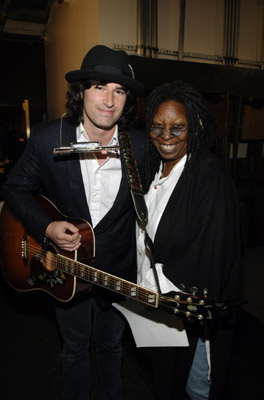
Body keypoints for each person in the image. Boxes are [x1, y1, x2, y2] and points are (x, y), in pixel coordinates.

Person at [2, 45, 145, 400]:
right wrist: (46, 228)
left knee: (112, 348)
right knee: (76, 350)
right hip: (65, 274)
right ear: (81, 91)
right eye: (99, 86)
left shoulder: (140, 147)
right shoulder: (50, 138)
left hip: (116, 273)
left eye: (120, 90)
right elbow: (15, 189)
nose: (109, 100)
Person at [136, 81, 240, 400]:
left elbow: (214, 260)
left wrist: (167, 294)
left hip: (185, 316)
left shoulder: (208, 176)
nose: (166, 136)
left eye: (177, 127)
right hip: (152, 310)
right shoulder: (155, 169)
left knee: (193, 387)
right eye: (158, 127)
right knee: (164, 382)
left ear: (193, 126)